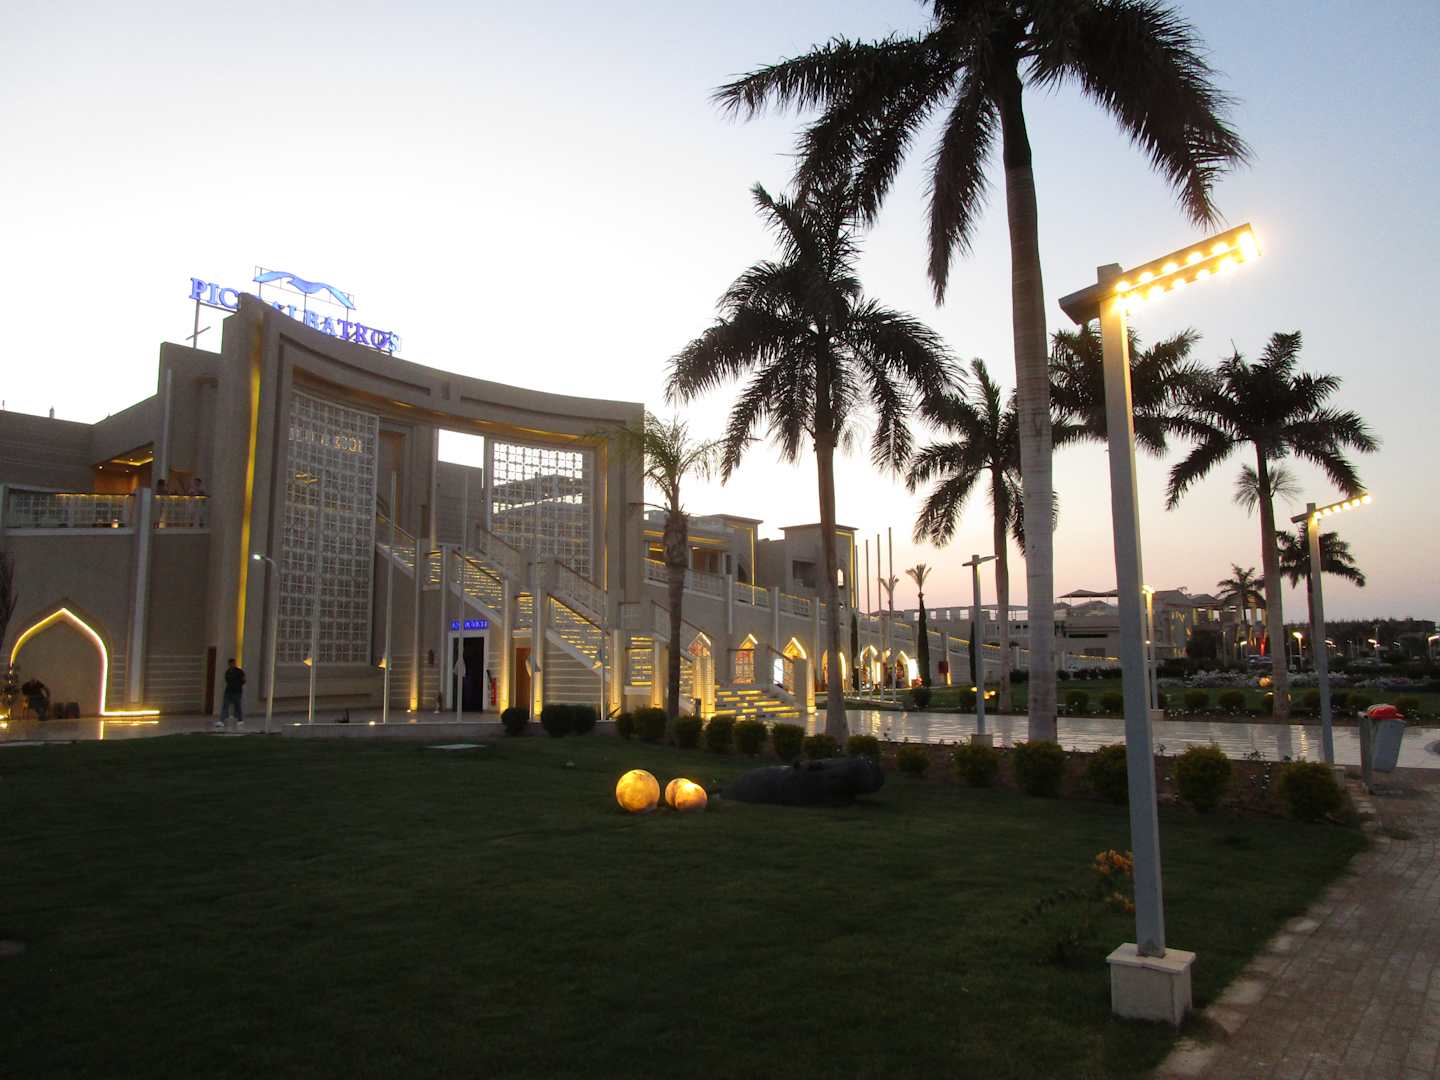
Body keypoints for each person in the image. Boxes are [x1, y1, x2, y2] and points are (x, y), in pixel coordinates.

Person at [218, 658, 245, 730]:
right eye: (230, 664)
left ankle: (240, 719)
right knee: (225, 705)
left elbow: (243, 680)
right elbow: (227, 680)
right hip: (228, 691)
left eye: (233, 663)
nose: (231, 665)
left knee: (238, 706)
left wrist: (238, 685)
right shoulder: (228, 672)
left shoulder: (239, 671)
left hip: (237, 692)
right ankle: (221, 721)